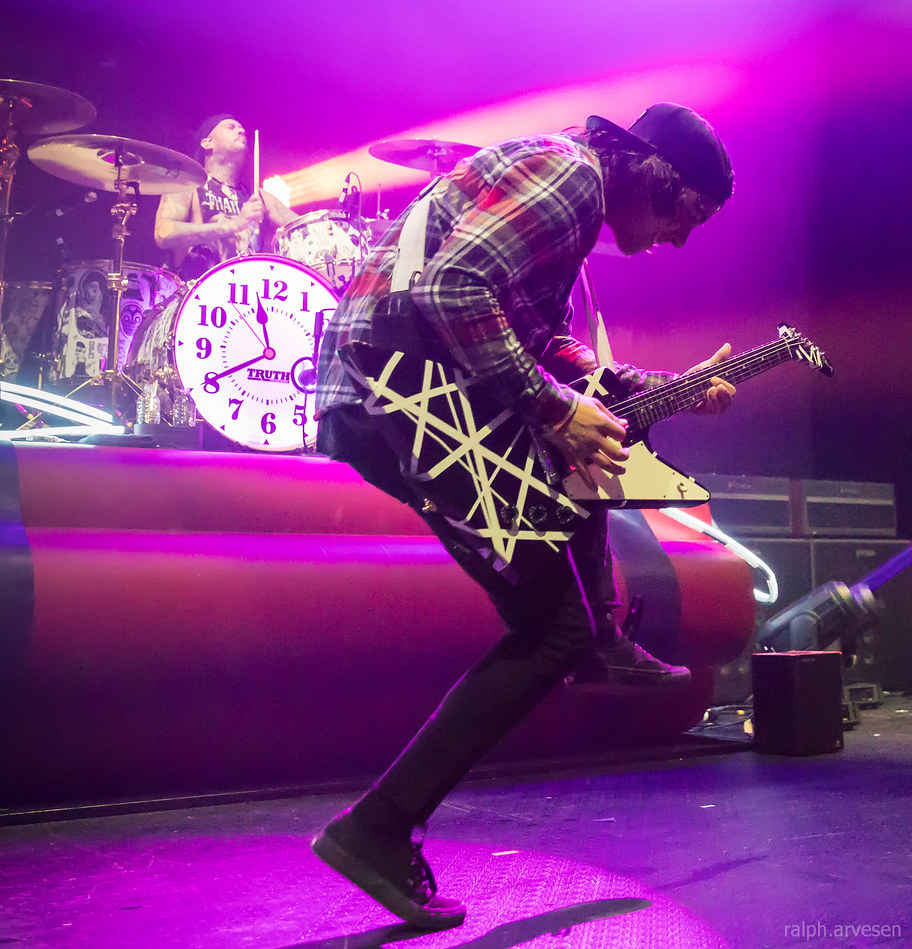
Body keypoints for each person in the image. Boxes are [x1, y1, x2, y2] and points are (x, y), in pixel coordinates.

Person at [311, 103, 738, 929]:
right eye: (686, 217)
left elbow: (543, 343)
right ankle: (375, 828)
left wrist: (660, 387)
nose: (679, 241)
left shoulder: (565, 187)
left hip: (395, 385)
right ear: (655, 174)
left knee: (573, 501)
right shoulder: (570, 178)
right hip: (397, 389)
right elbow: (452, 288)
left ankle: (596, 638)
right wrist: (550, 411)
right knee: (552, 619)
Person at [154, 114, 297, 280]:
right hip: (195, 293)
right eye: (231, 127)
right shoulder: (187, 183)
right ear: (207, 142)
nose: (241, 130)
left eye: (242, 128)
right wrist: (230, 226)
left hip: (248, 295)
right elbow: (163, 234)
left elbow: (308, 227)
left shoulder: (258, 197)